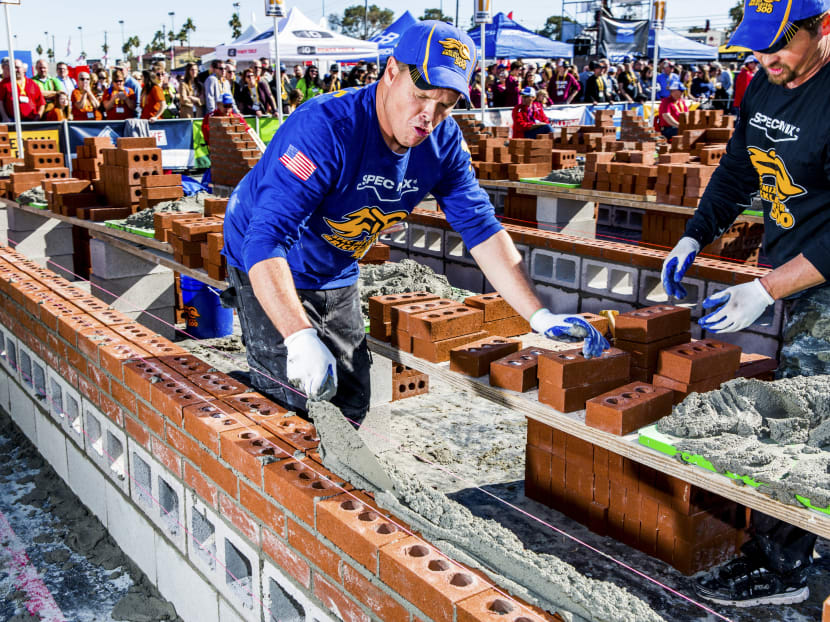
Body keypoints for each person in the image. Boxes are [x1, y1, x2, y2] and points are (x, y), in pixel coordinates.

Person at [221, 21, 609, 425]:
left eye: (445, 105)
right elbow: (265, 241)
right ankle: (261, 379)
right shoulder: (325, 129)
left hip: (336, 262)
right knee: (291, 402)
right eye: (420, 96)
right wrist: (299, 335)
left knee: (351, 400)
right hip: (266, 258)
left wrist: (539, 315)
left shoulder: (442, 144)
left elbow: (480, 226)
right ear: (391, 72)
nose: (429, 116)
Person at [661, 0, 830, 607]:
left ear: (822, 28)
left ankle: (780, 568)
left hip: (824, 279)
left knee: (803, 412)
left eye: (779, 46)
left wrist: (765, 288)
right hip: (797, 272)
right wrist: (693, 234)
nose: (766, 61)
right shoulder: (765, 82)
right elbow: (738, 169)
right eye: (757, 49)